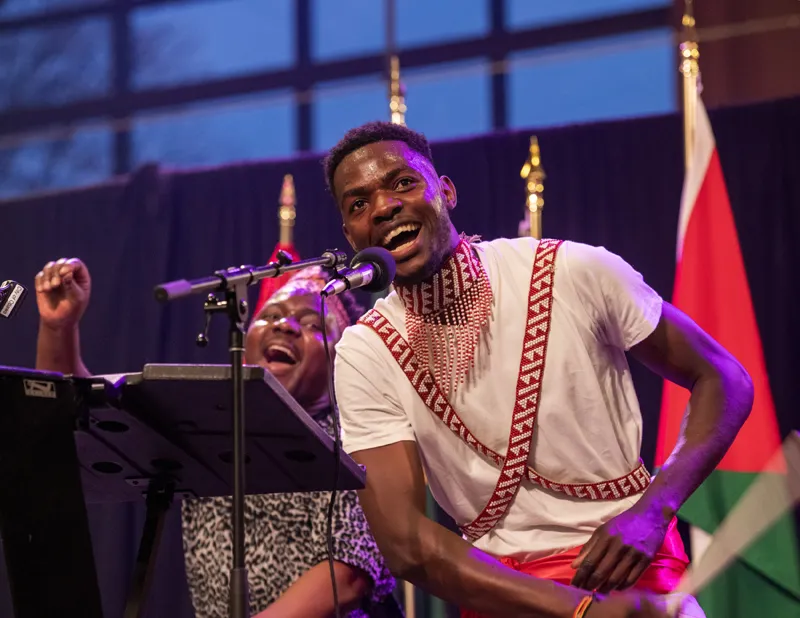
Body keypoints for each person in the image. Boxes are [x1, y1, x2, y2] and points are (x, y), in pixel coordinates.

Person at [325, 122, 754, 618]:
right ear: (349, 234)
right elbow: (404, 543)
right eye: (358, 204)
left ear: (445, 190)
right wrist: (580, 612)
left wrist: (652, 510)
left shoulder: (574, 271)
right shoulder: (366, 351)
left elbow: (725, 378)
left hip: (632, 577)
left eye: (402, 183)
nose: (382, 207)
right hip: (505, 595)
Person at [33, 257, 399, 618]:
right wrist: (58, 329)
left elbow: (349, 572)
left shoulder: (354, 436)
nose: (284, 326)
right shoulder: (206, 420)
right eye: (269, 316)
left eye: (312, 324)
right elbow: (88, 417)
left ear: (339, 359)